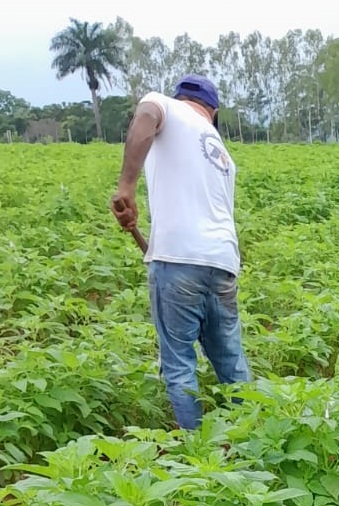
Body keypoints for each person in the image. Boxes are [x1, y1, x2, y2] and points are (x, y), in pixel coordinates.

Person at [110, 74, 251, 430]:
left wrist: (126, 186)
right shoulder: (222, 152)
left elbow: (146, 115)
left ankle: (197, 452)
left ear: (181, 98)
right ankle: (255, 440)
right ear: (213, 111)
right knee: (231, 362)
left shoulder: (165, 106)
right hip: (222, 262)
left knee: (178, 365)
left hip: (178, 260)